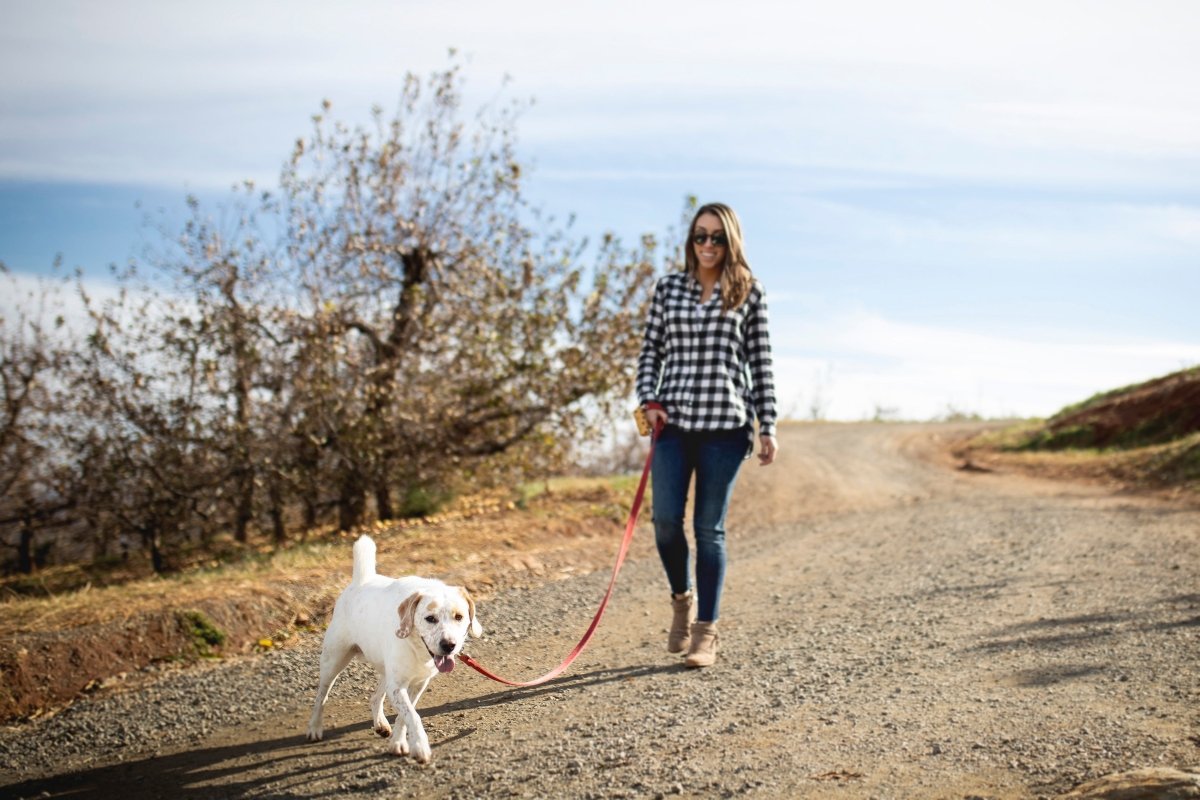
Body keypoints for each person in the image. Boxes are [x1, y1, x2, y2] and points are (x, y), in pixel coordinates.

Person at [636, 201, 778, 668]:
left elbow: (761, 365)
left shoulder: (749, 292)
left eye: (717, 237)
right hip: (673, 425)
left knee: (708, 530)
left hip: (726, 428)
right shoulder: (669, 288)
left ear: (731, 241)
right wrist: (648, 400)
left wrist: (768, 426)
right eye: (701, 236)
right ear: (690, 240)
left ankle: (706, 632)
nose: (708, 245)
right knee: (664, 523)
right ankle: (682, 599)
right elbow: (649, 353)